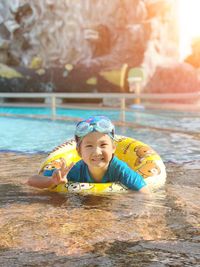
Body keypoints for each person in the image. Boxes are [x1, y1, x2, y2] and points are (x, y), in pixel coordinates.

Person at [28, 116, 149, 194]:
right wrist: (52, 181)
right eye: (89, 146)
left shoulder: (119, 169)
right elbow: (31, 180)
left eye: (103, 145)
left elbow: (143, 191)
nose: (97, 152)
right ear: (79, 152)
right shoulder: (75, 170)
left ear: (113, 148)